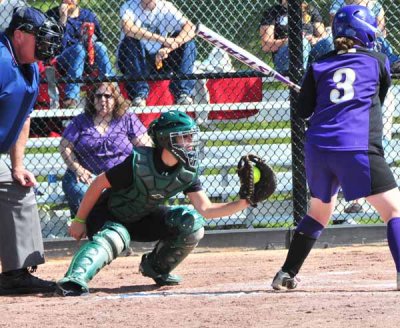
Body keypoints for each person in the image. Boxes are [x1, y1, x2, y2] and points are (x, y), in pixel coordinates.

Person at [55, 110, 254, 296]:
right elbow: (97, 184)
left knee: (191, 223)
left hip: (142, 217)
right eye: (184, 137)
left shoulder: (188, 170)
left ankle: (156, 267)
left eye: (191, 137)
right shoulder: (139, 162)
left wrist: (245, 202)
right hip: (108, 216)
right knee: (116, 236)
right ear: (166, 139)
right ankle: (74, 279)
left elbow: (206, 210)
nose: (190, 143)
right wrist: (80, 219)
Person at [271, 5, 400, 291]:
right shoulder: (378, 61)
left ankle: (286, 273)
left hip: (318, 149)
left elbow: (304, 110)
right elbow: (377, 95)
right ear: (365, 32)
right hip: (355, 145)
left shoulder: (318, 64)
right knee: (394, 211)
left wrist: (312, 90)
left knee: (318, 212)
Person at [0, 6, 63, 295]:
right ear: (19, 35)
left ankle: (16, 273)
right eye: (41, 36)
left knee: (18, 190)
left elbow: (24, 116)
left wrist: (17, 165)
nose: (47, 43)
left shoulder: (30, 68)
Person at [60, 82, 152, 216]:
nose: (102, 100)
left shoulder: (127, 118)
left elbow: (145, 146)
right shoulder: (81, 120)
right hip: (86, 176)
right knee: (81, 192)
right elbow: (64, 146)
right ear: (92, 99)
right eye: (98, 96)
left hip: (119, 175)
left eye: (107, 96)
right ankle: (89, 225)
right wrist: (78, 170)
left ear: (115, 99)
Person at [117, 0, 197, 107]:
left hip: (161, 59)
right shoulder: (129, 6)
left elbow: (191, 27)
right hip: (135, 60)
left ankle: (183, 93)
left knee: (187, 41)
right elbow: (128, 28)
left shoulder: (165, 6)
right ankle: (139, 94)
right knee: (131, 40)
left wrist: (173, 45)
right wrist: (163, 40)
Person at [47, 0, 115, 108]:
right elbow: (54, 47)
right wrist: (63, 20)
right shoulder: (52, 15)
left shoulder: (88, 15)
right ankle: (71, 97)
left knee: (101, 47)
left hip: (88, 59)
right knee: (78, 49)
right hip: (62, 60)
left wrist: (89, 40)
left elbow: (99, 40)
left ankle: (112, 89)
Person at [260, 0, 326, 76]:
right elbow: (266, 45)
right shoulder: (272, 12)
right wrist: (290, 41)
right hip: (285, 55)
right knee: (301, 41)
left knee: (328, 41)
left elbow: (323, 37)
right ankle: (301, 79)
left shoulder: (310, 10)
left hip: (311, 50)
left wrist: (314, 39)